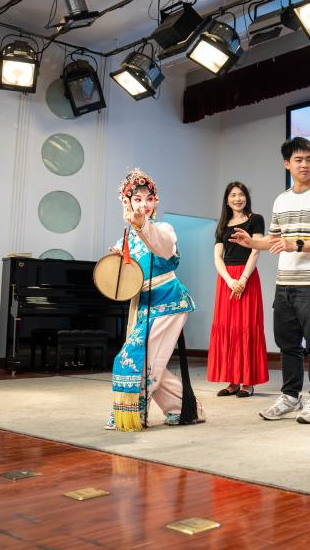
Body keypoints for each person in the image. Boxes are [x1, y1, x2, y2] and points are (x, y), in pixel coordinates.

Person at [230, 137, 310, 424]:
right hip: (285, 284)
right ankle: (291, 397)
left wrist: (296, 244)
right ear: (287, 164)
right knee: (287, 343)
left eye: (309, 159)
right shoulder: (281, 200)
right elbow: (274, 240)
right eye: (298, 160)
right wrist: (252, 242)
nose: (305, 165)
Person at [105, 168, 202, 431]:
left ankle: (134, 412)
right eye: (137, 199)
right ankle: (185, 408)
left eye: (149, 199)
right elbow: (123, 283)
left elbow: (162, 246)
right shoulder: (124, 240)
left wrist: (142, 226)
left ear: (156, 202)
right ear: (126, 203)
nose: (143, 205)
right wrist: (117, 263)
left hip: (169, 301)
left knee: (144, 359)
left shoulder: (163, 228)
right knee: (145, 359)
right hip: (144, 304)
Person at [207, 181, 269, 398]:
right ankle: (232, 381)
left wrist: (242, 280)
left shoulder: (256, 219)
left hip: (247, 277)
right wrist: (229, 280)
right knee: (228, 327)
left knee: (247, 327)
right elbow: (217, 257)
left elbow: (256, 250)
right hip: (227, 281)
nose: (237, 199)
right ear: (227, 200)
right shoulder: (222, 225)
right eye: (233, 195)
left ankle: (248, 382)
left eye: (241, 194)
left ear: (246, 198)